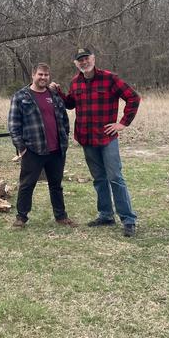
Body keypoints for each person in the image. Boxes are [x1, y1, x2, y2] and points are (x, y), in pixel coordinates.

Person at [56, 47, 141, 237]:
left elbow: (133, 98)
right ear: (76, 64)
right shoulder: (75, 82)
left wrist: (122, 123)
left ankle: (128, 219)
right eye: (80, 60)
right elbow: (70, 103)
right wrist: (58, 92)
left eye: (86, 58)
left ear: (94, 58)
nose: (84, 62)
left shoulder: (110, 78)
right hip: (87, 138)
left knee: (115, 178)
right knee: (99, 179)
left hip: (107, 138)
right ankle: (106, 215)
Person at [7, 62, 74, 228]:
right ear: (33, 75)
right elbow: (13, 126)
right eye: (40, 74)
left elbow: (64, 119)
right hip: (33, 150)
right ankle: (21, 218)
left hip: (56, 150)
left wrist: (65, 136)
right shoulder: (21, 96)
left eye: (46, 75)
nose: (43, 78)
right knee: (27, 185)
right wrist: (21, 148)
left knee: (56, 185)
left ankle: (61, 216)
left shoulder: (54, 95)